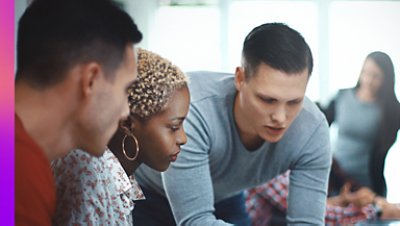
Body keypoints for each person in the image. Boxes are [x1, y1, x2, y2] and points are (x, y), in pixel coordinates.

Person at [133, 22, 332, 225]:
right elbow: (195, 221)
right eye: (267, 100)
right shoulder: (193, 110)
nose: (280, 117)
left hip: (225, 197)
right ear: (240, 78)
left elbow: (307, 223)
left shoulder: (312, 131)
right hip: (148, 196)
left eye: (294, 102)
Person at [15, 0, 142, 225]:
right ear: (91, 80)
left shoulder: (32, 163)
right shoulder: (19, 170)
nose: (125, 112)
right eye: (124, 90)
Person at [52, 48, 190, 225]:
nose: (183, 138)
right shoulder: (88, 173)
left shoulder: (114, 173)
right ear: (128, 124)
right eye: (174, 127)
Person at [319, 51, 400, 196]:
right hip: (335, 179)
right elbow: (319, 123)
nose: (368, 80)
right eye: (366, 73)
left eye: (376, 76)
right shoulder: (342, 97)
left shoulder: (391, 110)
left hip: (367, 186)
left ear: (385, 79)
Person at [245, 159, 400, 226]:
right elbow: (310, 214)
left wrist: (344, 200)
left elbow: (305, 201)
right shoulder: (267, 172)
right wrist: (377, 210)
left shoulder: (281, 164)